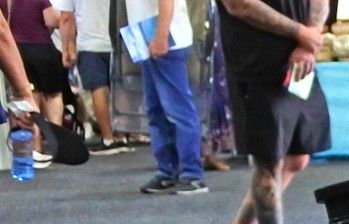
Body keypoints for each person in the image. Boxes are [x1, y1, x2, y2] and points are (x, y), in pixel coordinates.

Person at [212, 0, 329, 224]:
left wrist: (308, 38)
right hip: (257, 63)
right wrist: (301, 32)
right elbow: (240, 5)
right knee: (269, 161)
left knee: (297, 157)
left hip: (300, 60)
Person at [132, 0, 207, 192]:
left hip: (165, 41)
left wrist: (161, 36)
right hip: (147, 37)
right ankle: (167, 171)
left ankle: (192, 174)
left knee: (178, 111)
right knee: (155, 109)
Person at [51, 0, 126, 152]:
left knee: (98, 87)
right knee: (120, 88)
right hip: (118, 40)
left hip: (90, 43)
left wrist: (67, 48)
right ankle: (121, 136)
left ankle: (108, 138)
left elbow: (66, 18)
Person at [6, 0, 65, 166]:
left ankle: (34, 148)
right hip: (42, 48)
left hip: (17, 51)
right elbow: (51, 19)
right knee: (54, 95)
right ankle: (56, 144)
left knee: (29, 97)